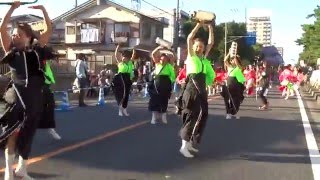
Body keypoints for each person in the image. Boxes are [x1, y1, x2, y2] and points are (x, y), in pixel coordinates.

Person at [0, 2, 52, 180]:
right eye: (13, 34)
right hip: (17, 95)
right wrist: (12, 8)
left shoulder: (36, 50)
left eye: (19, 34)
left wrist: (44, 11)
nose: (14, 37)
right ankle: (8, 171)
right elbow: (2, 28)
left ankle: (22, 169)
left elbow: (49, 29)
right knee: (12, 133)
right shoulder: (11, 52)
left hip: (35, 97)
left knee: (29, 133)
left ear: (29, 37)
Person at [178, 22, 215, 158]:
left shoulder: (204, 58)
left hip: (201, 90)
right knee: (190, 116)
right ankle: (183, 146)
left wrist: (210, 28)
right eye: (197, 46)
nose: (199, 48)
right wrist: (199, 25)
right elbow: (189, 38)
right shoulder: (191, 57)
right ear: (193, 47)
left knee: (202, 115)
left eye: (201, 46)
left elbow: (211, 43)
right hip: (191, 89)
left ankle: (189, 144)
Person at [148, 46, 176, 124]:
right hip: (157, 83)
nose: (162, 60)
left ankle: (164, 116)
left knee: (164, 100)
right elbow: (153, 54)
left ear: (167, 60)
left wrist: (170, 50)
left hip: (166, 83)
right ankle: (153, 118)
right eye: (161, 58)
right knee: (155, 99)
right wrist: (159, 48)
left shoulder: (170, 65)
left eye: (164, 59)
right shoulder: (157, 64)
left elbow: (174, 56)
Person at [38, 59, 62, 140]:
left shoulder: (46, 63)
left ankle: (50, 128)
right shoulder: (35, 60)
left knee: (50, 107)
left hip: (46, 86)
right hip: (38, 86)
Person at [113, 45, 136, 116]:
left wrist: (134, 49)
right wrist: (118, 47)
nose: (124, 58)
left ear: (128, 58)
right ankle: (120, 110)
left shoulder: (130, 63)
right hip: (121, 78)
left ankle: (124, 108)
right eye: (123, 57)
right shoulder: (120, 63)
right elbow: (116, 55)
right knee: (121, 94)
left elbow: (133, 55)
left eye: (125, 57)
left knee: (126, 94)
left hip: (128, 78)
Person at [221, 51, 245, 119]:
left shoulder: (239, 67)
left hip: (237, 85)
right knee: (228, 99)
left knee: (236, 100)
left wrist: (235, 58)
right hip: (229, 84)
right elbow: (225, 60)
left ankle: (234, 111)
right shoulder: (229, 66)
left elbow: (238, 65)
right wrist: (229, 52)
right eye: (231, 60)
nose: (232, 61)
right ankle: (228, 113)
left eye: (234, 60)